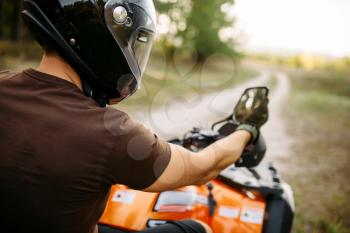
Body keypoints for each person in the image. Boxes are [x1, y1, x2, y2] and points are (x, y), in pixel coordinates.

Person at [0, 0, 268, 233]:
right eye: (128, 40)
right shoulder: (110, 132)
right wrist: (247, 129)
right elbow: (202, 167)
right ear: (100, 38)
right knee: (197, 229)